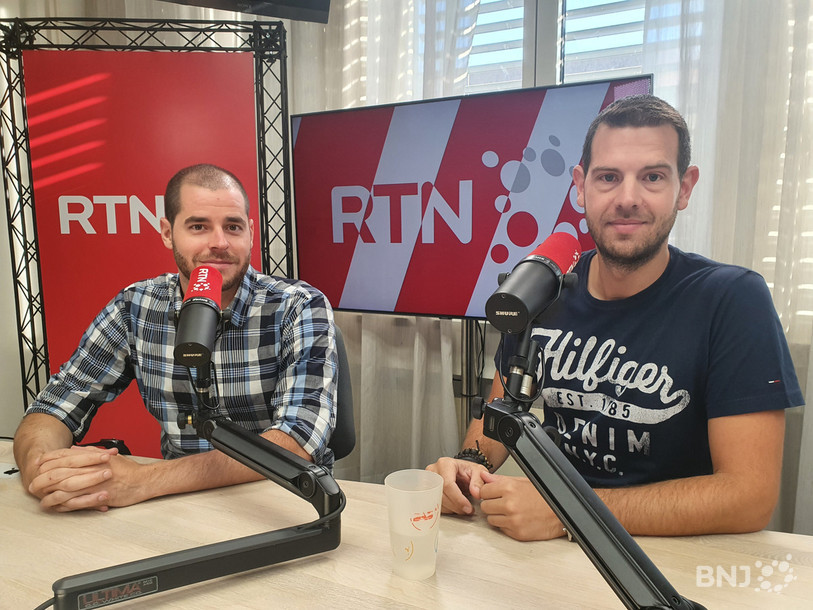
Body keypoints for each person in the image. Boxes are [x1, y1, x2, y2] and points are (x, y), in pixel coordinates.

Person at [427, 95, 803, 541]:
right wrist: (468, 465)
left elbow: (748, 497)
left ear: (684, 188)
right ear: (581, 185)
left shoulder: (732, 299)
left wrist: (569, 511)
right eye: (608, 177)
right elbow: (501, 414)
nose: (628, 198)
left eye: (652, 177)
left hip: (672, 558)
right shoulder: (545, 290)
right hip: (550, 551)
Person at [13, 163, 337, 513]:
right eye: (198, 226)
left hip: (278, 500)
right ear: (167, 232)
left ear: (251, 233)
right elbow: (54, 406)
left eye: (233, 226)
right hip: (174, 505)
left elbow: (296, 443)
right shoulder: (135, 306)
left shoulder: (297, 305)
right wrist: (44, 470)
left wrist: (143, 480)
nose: (219, 243)